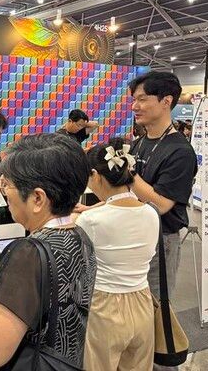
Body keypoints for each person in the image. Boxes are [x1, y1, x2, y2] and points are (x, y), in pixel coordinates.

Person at [0, 133, 96, 370]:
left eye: (8, 185)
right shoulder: (80, 236)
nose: (5, 193)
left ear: (37, 198)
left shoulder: (27, 253)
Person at [76, 138, 158, 371]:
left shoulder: (90, 220)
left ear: (95, 175)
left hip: (105, 306)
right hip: (143, 303)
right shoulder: (151, 213)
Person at [128, 71, 197, 299]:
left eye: (142, 99)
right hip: (131, 232)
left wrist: (127, 173)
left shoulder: (180, 152)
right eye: (134, 100)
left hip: (160, 239)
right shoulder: (139, 143)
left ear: (166, 101)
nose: (135, 106)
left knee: (154, 306)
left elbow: (161, 204)